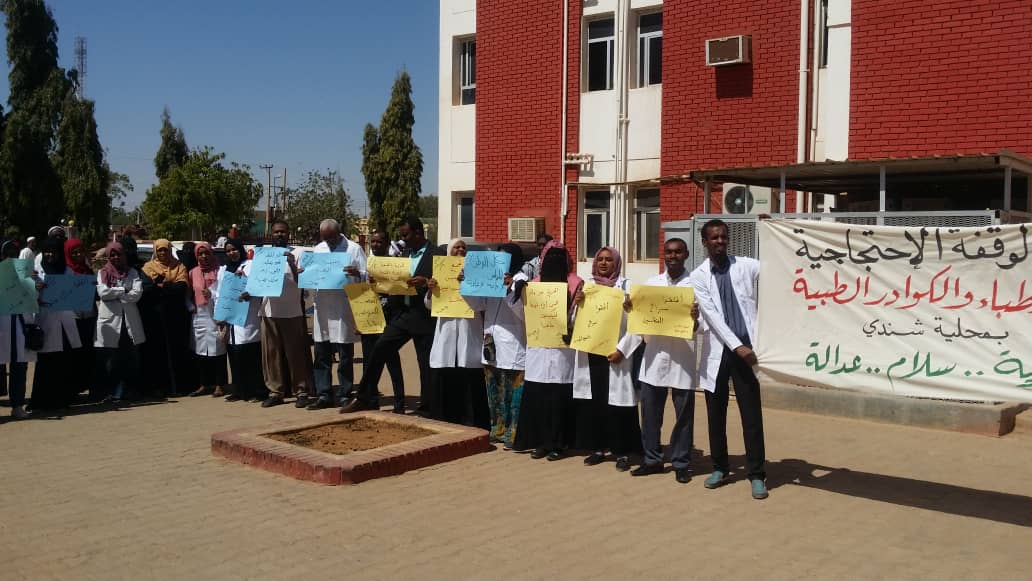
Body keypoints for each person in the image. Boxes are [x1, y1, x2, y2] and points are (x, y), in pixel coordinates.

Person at [689, 219, 768, 500]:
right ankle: (720, 468)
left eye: (723, 237)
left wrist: (772, 232)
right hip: (720, 352)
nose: (720, 241)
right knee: (715, 413)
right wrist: (737, 347)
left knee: (751, 414)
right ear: (705, 242)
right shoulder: (698, 276)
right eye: (714, 238)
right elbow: (712, 316)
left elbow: (775, 266)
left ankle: (757, 473)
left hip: (746, 350)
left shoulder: (745, 265)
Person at [342, 217, 440, 415]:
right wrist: (377, 281)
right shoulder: (404, 254)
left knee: (425, 364)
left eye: (406, 235)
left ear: (418, 233)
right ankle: (364, 397)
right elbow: (393, 283)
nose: (403, 239)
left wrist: (426, 281)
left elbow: (446, 282)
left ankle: (427, 408)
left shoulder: (437, 254)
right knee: (379, 349)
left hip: (424, 316)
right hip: (402, 315)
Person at [629, 238, 701, 483]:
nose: (673, 256)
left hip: (683, 358)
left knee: (684, 417)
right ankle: (652, 460)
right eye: (669, 252)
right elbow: (639, 321)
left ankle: (681, 463)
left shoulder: (696, 285)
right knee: (650, 414)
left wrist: (695, 319)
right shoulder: (652, 285)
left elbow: (705, 326)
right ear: (664, 255)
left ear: (686, 254)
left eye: (678, 252)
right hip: (655, 358)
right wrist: (631, 309)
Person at [572, 247, 643, 472]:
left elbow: (637, 324)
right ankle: (598, 448)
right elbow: (574, 323)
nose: (603, 263)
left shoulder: (627, 287)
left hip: (616, 354)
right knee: (596, 403)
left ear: (616, 263)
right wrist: (578, 305)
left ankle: (622, 451)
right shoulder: (587, 287)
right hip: (592, 353)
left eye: (608, 260)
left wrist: (623, 350)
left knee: (619, 406)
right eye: (600, 259)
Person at [511, 240, 582, 460]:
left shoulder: (576, 284)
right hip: (539, 350)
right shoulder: (534, 285)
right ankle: (541, 442)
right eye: (551, 257)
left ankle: (559, 444)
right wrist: (517, 295)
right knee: (539, 398)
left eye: (560, 258)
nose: (555, 262)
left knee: (559, 400)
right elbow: (522, 315)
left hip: (562, 353)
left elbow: (579, 318)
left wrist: (577, 308)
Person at [244, 219, 312, 408]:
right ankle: (275, 392)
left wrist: (292, 265)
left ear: (289, 234)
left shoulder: (298, 253)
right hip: (268, 312)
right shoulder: (263, 255)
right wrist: (248, 292)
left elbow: (304, 282)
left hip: (292, 312)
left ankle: (301, 391)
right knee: (271, 355)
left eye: (283, 232)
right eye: (276, 232)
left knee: (295, 354)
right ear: (271, 234)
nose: (280, 235)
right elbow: (256, 280)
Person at [425, 239, 488, 426]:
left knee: (468, 375)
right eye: (456, 247)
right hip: (446, 331)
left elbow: (481, 304)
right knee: (446, 374)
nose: (460, 250)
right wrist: (431, 291)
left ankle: (471, 422)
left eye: (463, 247)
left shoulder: (476, 275)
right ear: (449, 252)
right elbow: (430, 305)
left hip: (469, 330)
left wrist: (466, 285)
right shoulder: (440, 273)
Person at [306, 219, 367, 410]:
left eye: (332, 238)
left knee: (345, 354)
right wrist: (304, 274)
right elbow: (311, 276)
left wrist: (357, 273)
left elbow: (367, 275)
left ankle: (345, 394)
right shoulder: (318, 250)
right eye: (326, 239)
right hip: (323, 307)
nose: (329, 243)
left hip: (343, 307)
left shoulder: (354, 249)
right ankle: (324, 394)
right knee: (321, 352)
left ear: (339, 233)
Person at [29, 236, 85, 411]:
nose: (50, 255)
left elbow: (75, 295)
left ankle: (62, 399)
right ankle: (41, 401)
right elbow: (27, 296)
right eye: (47, 251)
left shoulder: (67, 271)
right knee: (45, 363)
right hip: (45, 320)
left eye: (53, 251)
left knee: (63, 362)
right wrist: (35, 290)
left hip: (64, 322)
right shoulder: (36, 271)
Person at [482, 243, 528, 449]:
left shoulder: (522, 280)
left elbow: (524, 313)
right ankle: (497, 427)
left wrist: (510, 289)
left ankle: (514, 430)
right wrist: (467, 285)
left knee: (512, 391)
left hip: (513, 344)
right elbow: (477, 305)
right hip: (491, 341)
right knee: (494, 389)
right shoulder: (490, 278)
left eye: (505, 258)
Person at [357, 231, 405, 406]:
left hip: (389, 320)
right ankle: (370, 400)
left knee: (393, 363)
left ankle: (399, 403)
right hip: (369, 318)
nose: (376, 245)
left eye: (379, 242)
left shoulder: (395, 264)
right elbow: (360, 293)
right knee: (369, 362)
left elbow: (400, 290)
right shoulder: (366, 265)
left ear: (387, 243)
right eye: (373, 242)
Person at [215, 238, 266, 402]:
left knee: (250, 355)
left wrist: (246, 282)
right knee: (235, 355)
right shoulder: (224, 270)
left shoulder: (250, 265)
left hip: (248, 316)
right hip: (230, 317)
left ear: (240, 249)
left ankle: (257, 391)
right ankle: (239, 390)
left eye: (234, 249)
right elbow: (219, 293)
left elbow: (260, 287)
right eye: (228, 251)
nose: (231, 253)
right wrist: (220, 315)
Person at [95, 241, 146, 403]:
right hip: (110, 322)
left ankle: (131, 390)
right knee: (111, 360)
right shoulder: (103, 272)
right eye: (112, 255)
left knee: (132, 357)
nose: (116, 257)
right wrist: (123, 290)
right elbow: (103, 293)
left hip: (129, 320)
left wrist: (115, 294)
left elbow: (137, 294)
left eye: (119, 254)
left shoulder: (132, 272)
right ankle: (113, 392)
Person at [139, 239, 191, 397]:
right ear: (155, 251)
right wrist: (170, 286)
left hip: (176, 316)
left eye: (165, 250)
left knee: (177, 350)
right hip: (156, 316)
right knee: (158, 351)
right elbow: (147, 289)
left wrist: (162, 286)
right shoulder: (148, 268)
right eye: (159, 250)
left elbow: (182, 288)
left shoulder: (179, 266)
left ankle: (180, 386)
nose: (162, 253)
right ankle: (161, 387)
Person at [188, 242, 229, 397]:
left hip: (215, 313)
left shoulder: (219, 271)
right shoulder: (192, 272)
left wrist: (212, 295)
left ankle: (220, 384)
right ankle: (205, 384)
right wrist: (190, 307)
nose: (204, 256)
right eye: (200, 254)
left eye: (206, 253)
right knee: (201, 351)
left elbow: (224, 292)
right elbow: (188, 294)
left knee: (218, 350)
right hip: (199, 314)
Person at [1, 239, 34, 418]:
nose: (10, 258)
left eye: (14, 254)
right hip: (2, 326)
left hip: (20, 326)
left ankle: (17, 405)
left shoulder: (25, 274)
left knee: (19, 367)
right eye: (7, 254)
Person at [64, 238, 98, 398]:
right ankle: (73, 389)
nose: (78, 255)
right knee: (73, 354)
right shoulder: (64, 270)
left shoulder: (87, 269)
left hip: (89, 317)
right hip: (73, 318)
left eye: (80, 252)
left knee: (88, 353)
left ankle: (88, 386)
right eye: (74, 252)